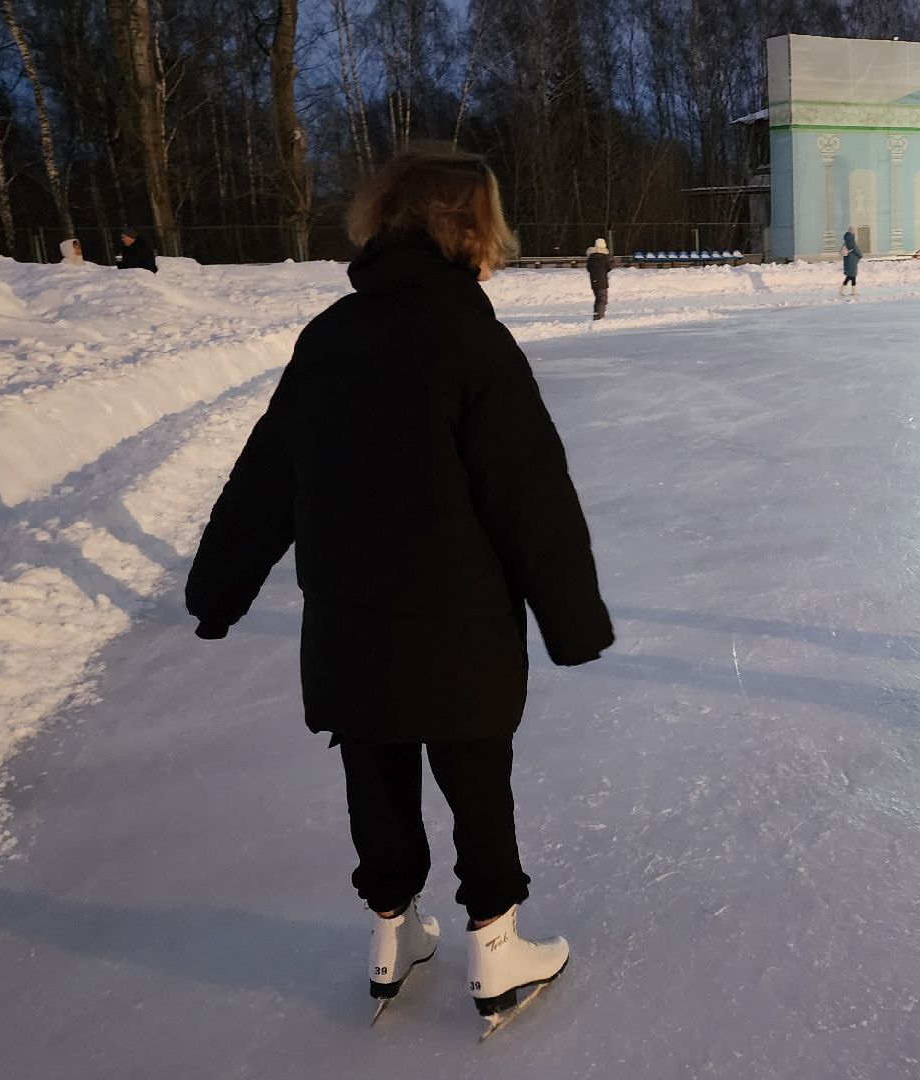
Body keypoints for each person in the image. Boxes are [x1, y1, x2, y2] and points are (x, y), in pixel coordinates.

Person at [184, 146, 613, 1026]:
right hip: (458, 627)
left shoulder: (330, 337)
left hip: (349, 626)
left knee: (375, 776)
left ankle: (391, 934)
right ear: (469, 230)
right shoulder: (472, 340)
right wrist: (572, 622)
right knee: (474, 777)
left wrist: (216, 592)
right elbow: (530, 494)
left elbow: (264, 479)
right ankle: (495, 951)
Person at [586, 237, 612, 321]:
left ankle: (596, 315)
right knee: (602, 299)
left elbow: (588, 268)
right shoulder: (604, 257)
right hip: (602, 281)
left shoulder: (591, 258)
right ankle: (600, 316)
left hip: (593, 281)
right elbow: (609, 267)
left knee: (597, 298)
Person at [838, 226, 861, 296]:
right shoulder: (851, 239)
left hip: (848, 259)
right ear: (852, 232)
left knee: (850, 276)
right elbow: (855, 248)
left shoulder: (846, 239)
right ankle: (852, 291)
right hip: (852, 259)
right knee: (852, 275)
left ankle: (845, 290)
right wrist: (860, 255)